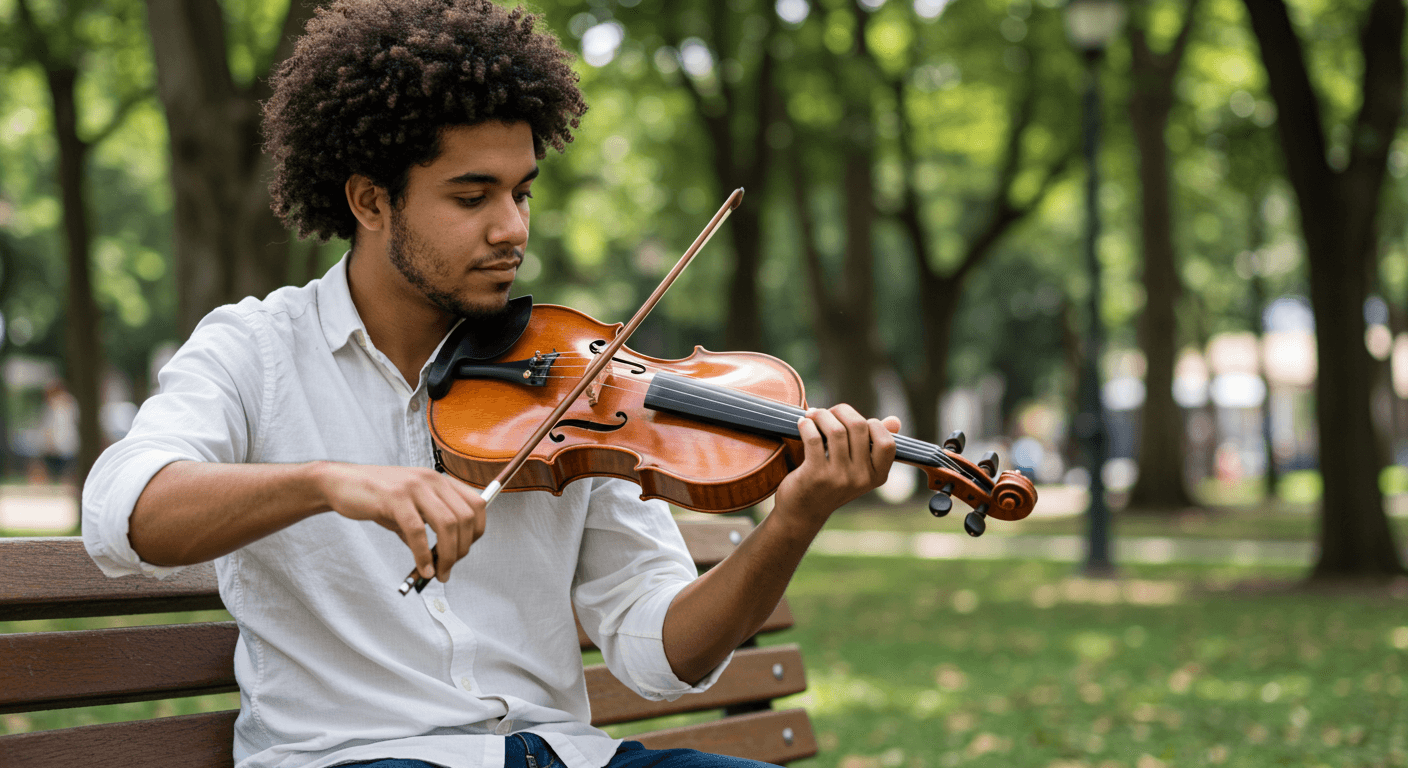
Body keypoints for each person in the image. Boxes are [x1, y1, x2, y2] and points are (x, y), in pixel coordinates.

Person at [82, 2, 900, 768]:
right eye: (472, 196)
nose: (512, 228)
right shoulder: (255, 349)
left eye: (522, 192)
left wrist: (793, 521)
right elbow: (124, 512)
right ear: (371, 200)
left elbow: (661, 656)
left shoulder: (581, 384)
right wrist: (333, 483)